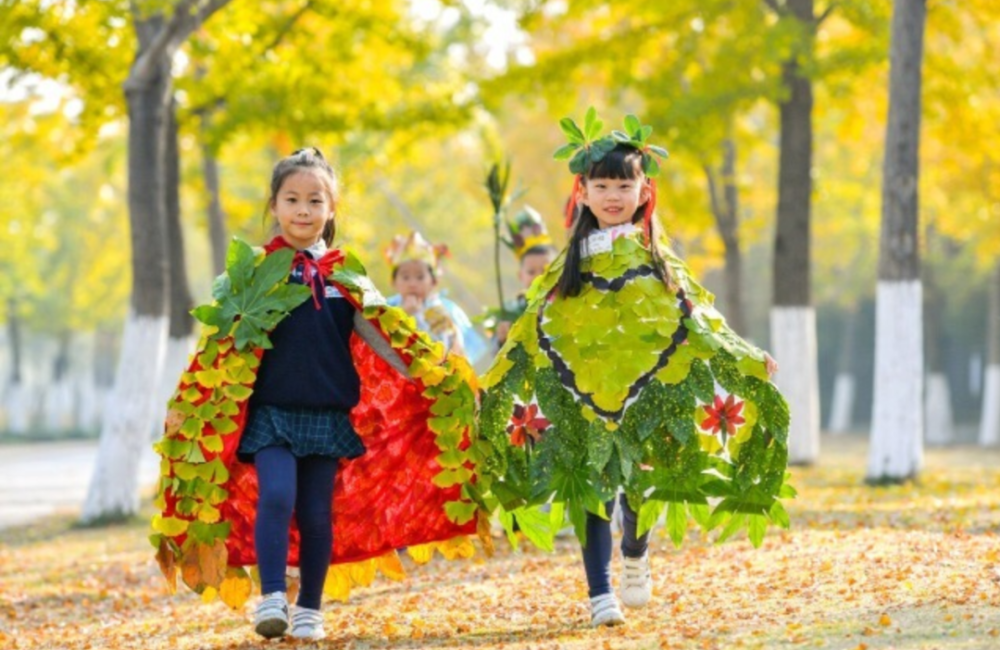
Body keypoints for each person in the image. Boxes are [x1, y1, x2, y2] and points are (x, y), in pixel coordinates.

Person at [152, 148, 481, 641]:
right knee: (276, 494)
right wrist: (192, 402)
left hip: (327, 415)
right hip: (272, 412)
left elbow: (385, 338)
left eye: (314, 201)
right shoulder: (254, 274)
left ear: (331, 209)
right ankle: (272, 598)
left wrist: (434, 378)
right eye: (292, 200)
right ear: (275, 205)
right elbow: (223, 343)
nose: (303, 210)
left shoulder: (346, 276)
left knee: (315, 513)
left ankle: (309, 607)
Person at [478, 110, 788, 627]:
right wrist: (495, 376)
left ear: (644, 191)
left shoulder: (657, 258)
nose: (613, 196)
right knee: (593, 487)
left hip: (647, 391)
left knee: (640, 483)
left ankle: (636, 552)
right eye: (601, 186)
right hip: (583, 394)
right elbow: (534, 321)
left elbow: (696, 314)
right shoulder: (568, 263)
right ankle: (600, 593)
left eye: (624, 185)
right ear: (583, 193)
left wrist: (742, 352)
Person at [386, 231, 488, 364]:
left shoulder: (442, 312)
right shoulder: (386, 308)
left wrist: (416, 317)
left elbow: (445, 353)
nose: (412, 284)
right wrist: (402, 314)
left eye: (420, 277)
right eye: (405, 277)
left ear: (433, 281)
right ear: (394, 282)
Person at [493, 206, 559, 347]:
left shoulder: (571, 301)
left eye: (545, 270)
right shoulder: (511, 313)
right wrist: (502, 341)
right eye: (531, 272)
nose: (538, 277)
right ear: (520, 275)